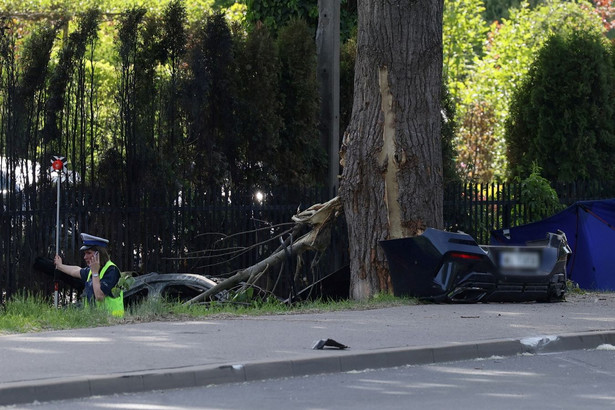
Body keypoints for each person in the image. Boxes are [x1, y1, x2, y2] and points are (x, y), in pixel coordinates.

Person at [54, 233, 124, 317]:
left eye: (88, 253)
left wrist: (95, 273)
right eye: (85, 253)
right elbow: (76, 270)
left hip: (113, 321)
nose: (85, 257)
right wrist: (60, 266)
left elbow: (99, 296)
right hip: (96, 321)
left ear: (99, 255)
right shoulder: (92, 270)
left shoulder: (111, 270)